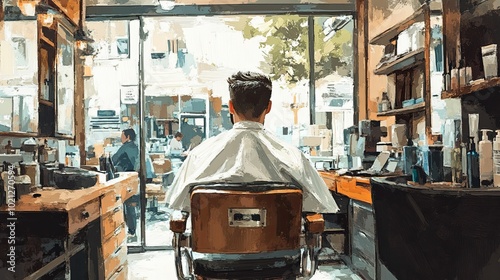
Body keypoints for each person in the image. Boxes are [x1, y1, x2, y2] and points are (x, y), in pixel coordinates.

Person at [165, 71, 339, 214]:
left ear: (231, 107)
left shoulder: (199, 156)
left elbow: (177, 202)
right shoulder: (293, 158)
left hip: (213, 253)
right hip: (278, 252)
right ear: (268, 107)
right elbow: (322, 205)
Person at [111, 128, 155, 237]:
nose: (121, 138)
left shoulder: (126, 147)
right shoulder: (136, 147)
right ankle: (132, 229)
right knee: (129, 203)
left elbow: (113, 160)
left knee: (126, 203)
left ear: (128, 137)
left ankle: (131, 230)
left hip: (130, 180)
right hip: (139, 180)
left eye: (122, 136)